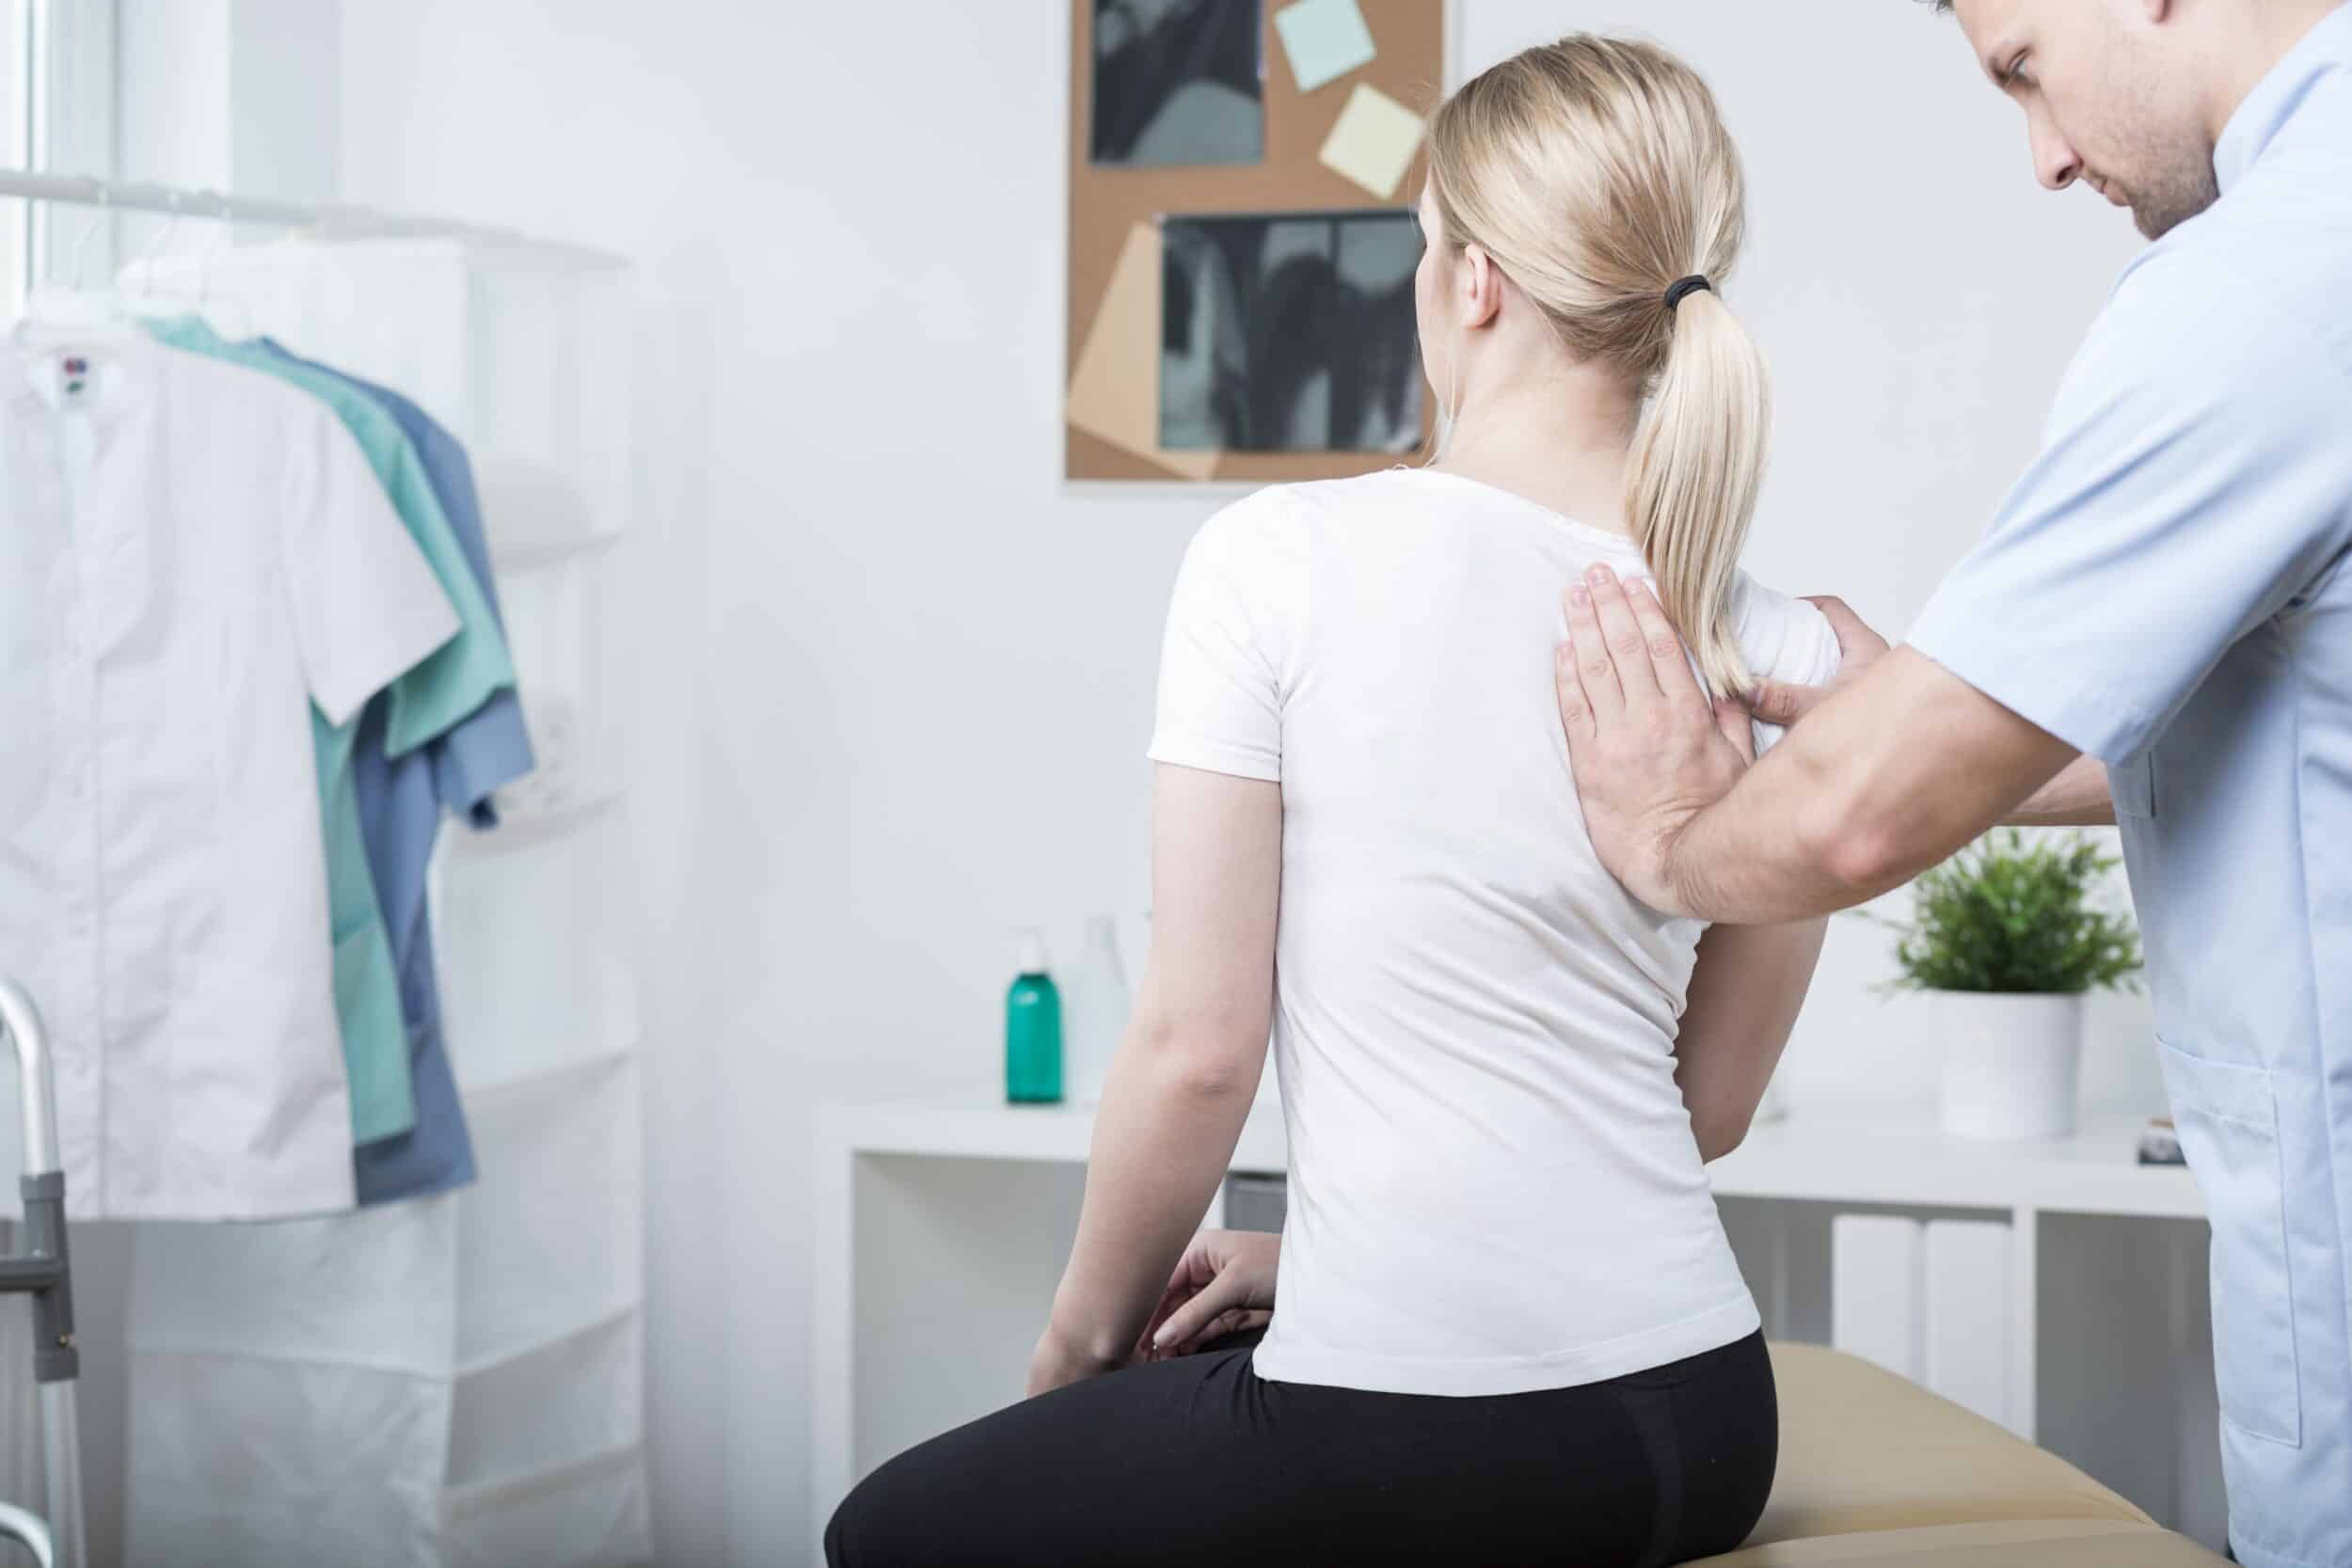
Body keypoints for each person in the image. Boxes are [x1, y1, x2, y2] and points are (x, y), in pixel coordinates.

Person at [824, 36, 1840, 1567]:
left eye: (1425, 245)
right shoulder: (1787, 647)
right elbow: (1700, 1107)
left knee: (884, 1534)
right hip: (1706, 1419)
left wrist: (1080, 1352)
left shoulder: (1282, 560)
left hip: (1430, 1435)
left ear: (1477, 280)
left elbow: (1194, 1052)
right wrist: (1319, 1259)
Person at [1549, 5, 2352, 1566]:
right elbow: (2267, 710)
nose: (2045, 156)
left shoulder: (2279, 279)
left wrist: (1669, 834)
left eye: (2024, 69)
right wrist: (1911, 705)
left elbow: (1860, 818)